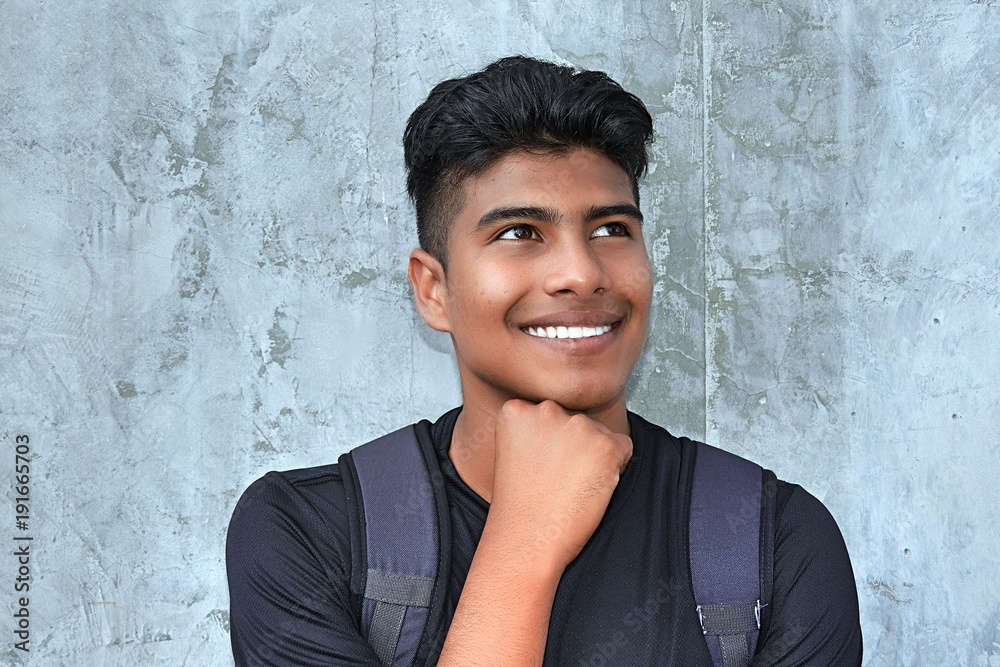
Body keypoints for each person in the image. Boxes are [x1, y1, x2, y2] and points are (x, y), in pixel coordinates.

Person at [226, 55, 862, 666]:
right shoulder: (308, 531)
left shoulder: (774, 543)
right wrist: (526, 539)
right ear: (434, 290)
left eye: (611, 229)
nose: (581, 274)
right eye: (519, 233)